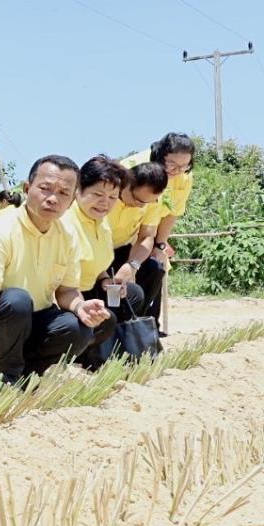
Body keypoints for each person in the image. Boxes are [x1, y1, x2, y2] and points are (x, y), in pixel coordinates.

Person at [0, 155, 111, 386]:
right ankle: (9, 376)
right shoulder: (0, 231)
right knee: (17, 299)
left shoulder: (67, 235)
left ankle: (29, 372)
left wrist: (80, 306)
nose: (53, 199)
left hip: (36, 320)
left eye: (64, 193)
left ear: (73, 199)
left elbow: (66, 291)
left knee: (80, 328)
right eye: (45, 189)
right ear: (27, 188)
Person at [60, 154, 145, 366]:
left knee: (133, 294)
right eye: (97, 194)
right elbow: (58, 282)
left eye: (112, 197)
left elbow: (97, 264)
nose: (104, 203)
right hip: (65, 297)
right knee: (106, 319)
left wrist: (107, 280)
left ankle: (110, 349)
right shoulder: (65, 223)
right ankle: (78, 358)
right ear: (78, 190)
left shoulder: (101, 222)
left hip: (91, 289)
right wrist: (81, 305)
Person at [125, 133, 195, 325]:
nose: (177, 171)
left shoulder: (184, 177)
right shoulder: (134, 167)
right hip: (123, 232)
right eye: (172, 164)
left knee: (155, 268)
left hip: (150, 232)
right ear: (159, 154)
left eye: (184, 166)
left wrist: (160, 245)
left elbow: (173, 212)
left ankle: (146, 327)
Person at [106, 161, 168, 321]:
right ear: (126, 183)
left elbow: (146, 236)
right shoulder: (105, 192)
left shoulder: (151, 202)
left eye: (145, 203)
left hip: (122, 250)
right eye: (137, 199)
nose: (140, 205)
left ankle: (133, 323)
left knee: (154, 269)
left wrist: (132, 266)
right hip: (92, 252)